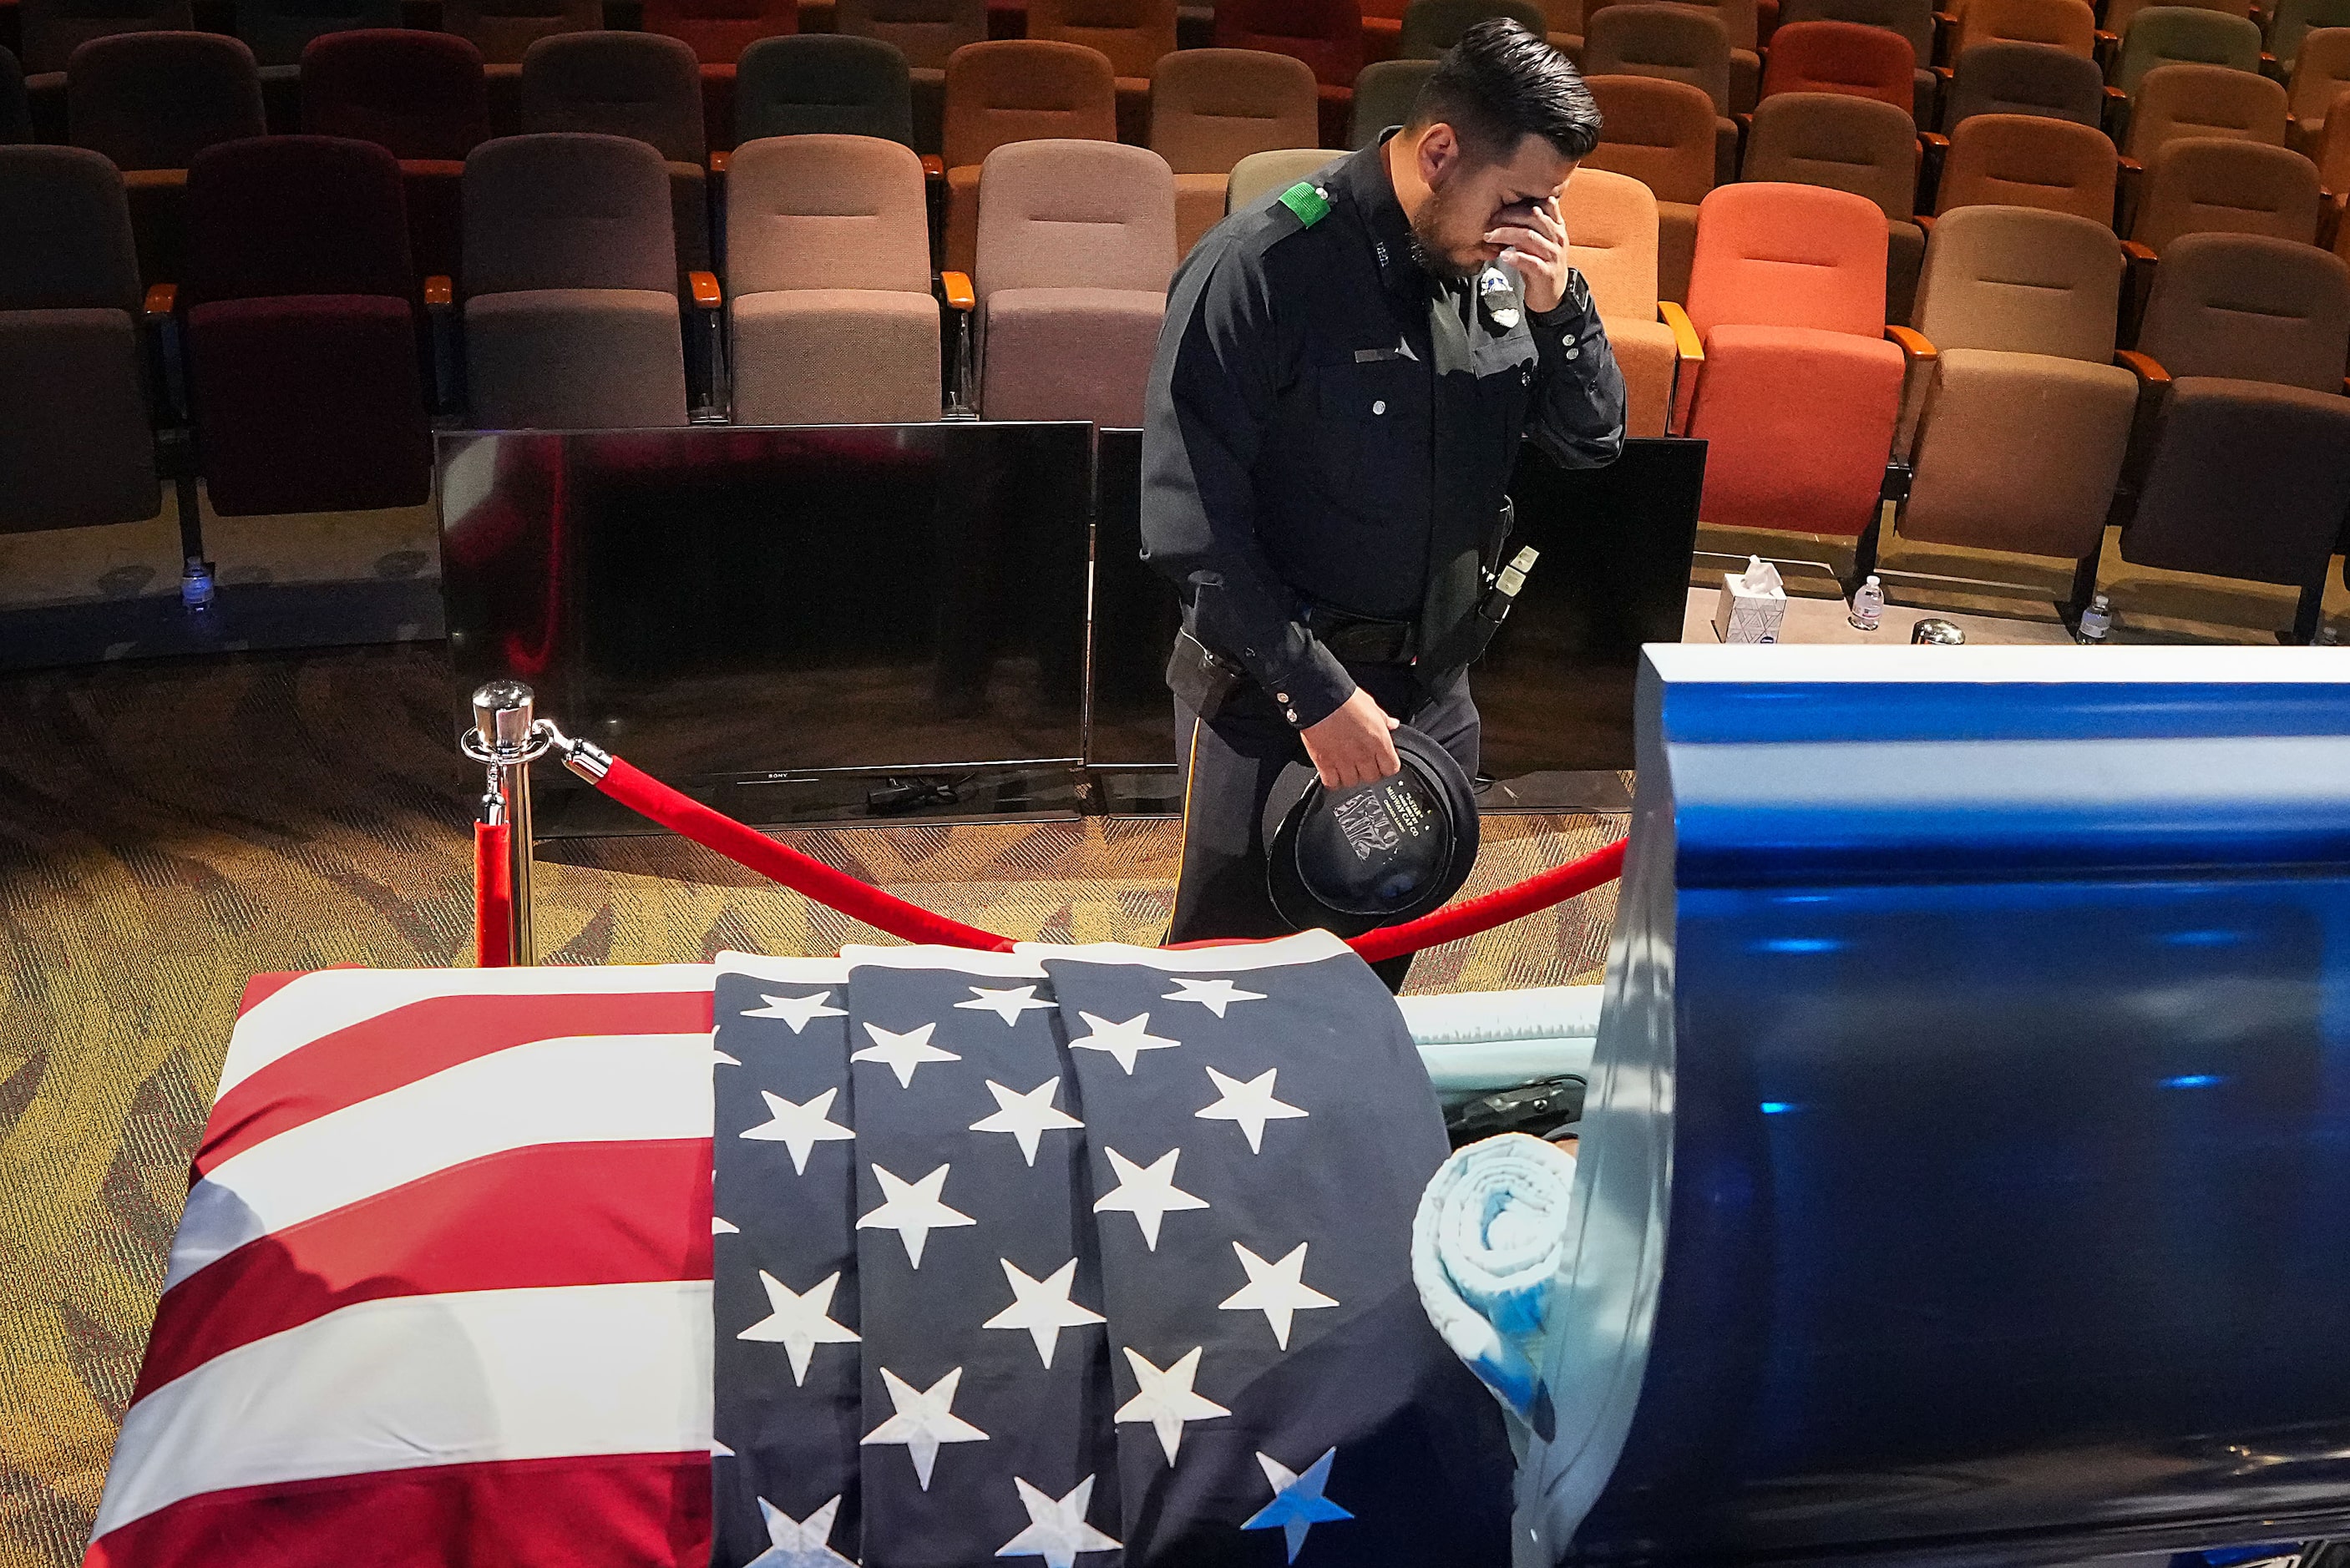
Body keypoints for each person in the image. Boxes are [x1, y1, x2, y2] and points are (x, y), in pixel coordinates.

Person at [1140, 18, 1628, 986]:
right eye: (1520, 200)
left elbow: (1590, 442)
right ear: (1441, 151)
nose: (1532, 228)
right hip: (1274, 695)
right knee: (1229, 976)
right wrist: (1318, 699)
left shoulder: (1504, 274)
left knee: (1372, 968)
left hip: (1432, 692)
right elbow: (1191, 529)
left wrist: (1561, 307)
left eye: (1551, 208)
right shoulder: (1263, 268)